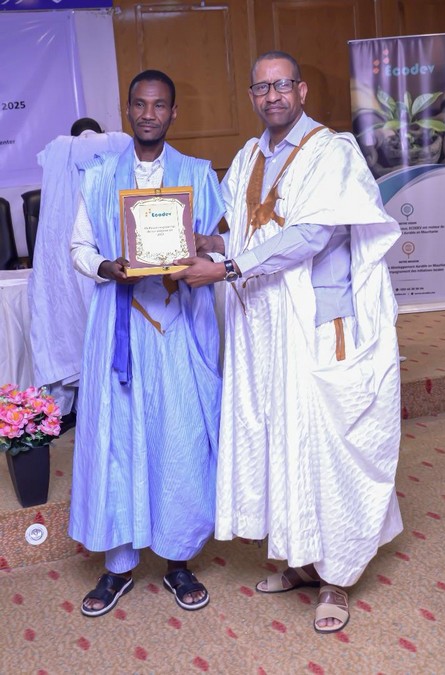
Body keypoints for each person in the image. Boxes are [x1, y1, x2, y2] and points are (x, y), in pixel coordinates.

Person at [171, 51, 403, 633]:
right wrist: (201, 243)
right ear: (252, 96)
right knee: (282, 442)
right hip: (266, 327)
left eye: (282, 85)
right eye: (261, 88)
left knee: (327, 447)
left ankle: (337, 578)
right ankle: (302, 562)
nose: (272, 96)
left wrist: (226, 268)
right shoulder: (249, 155)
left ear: (301, 91)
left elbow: (310, 235)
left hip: (320, 326)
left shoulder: (332, 151)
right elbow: (240, 231)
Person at [68, 70, 225, 616]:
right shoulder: (98, 176)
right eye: (140, 104)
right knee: (118, 441)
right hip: (119, 327)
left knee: (179, 436)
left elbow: (228, 243)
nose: (149, 114)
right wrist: (106, 267)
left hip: (180, 326)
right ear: (127, 110)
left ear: (173, 112)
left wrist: (204, 248)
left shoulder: (199, 174)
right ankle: (117, 566)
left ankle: (178, 560)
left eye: (160, 105)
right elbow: (78, 247)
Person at [29, 120, 130, 430]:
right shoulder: (119, 146)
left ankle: (70, 405)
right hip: (109, 255)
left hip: (64, 258)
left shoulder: (57, 153)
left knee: (65, 324)